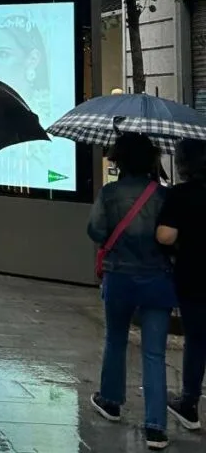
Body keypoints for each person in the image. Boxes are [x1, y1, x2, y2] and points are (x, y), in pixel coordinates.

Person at [88, 133, 173, 451]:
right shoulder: (163, 196)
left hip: (119, 277)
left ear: (120, 160)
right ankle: (156, 427)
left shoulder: (109, 194)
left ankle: (110, 401)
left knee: (115, 339)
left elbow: (95, 230)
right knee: (154, 353)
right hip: (157, 280)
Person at [156, 138, 206, 434]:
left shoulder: (181, 194)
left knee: (198, 340)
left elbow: (165, 236)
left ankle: (189, 403)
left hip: (194, 276)